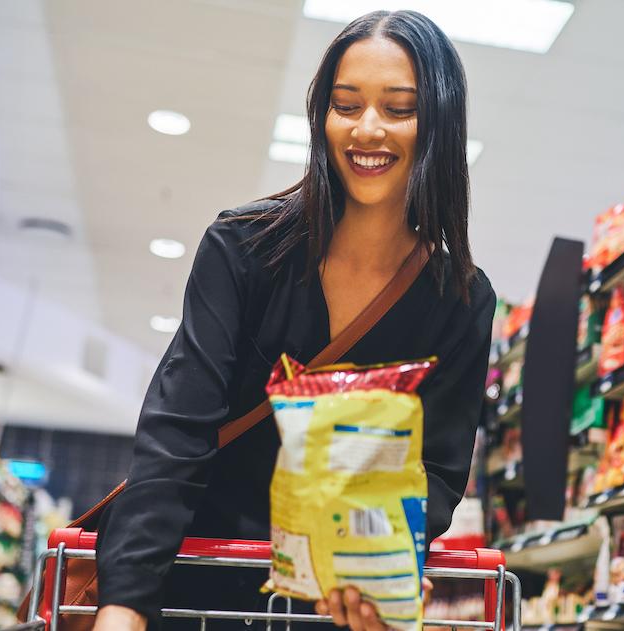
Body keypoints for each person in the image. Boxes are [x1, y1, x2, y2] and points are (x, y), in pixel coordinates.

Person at [92, 10, 495, 631]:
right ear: (322, 116)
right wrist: (122, 607)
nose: (368, 129)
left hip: (329, 601)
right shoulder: (244, 249)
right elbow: (176, 433)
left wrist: (388, 560)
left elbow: (437, 470)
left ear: (439, 124)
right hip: (192, 584)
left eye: (399, 108)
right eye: (346, 104)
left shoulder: (460, 301)